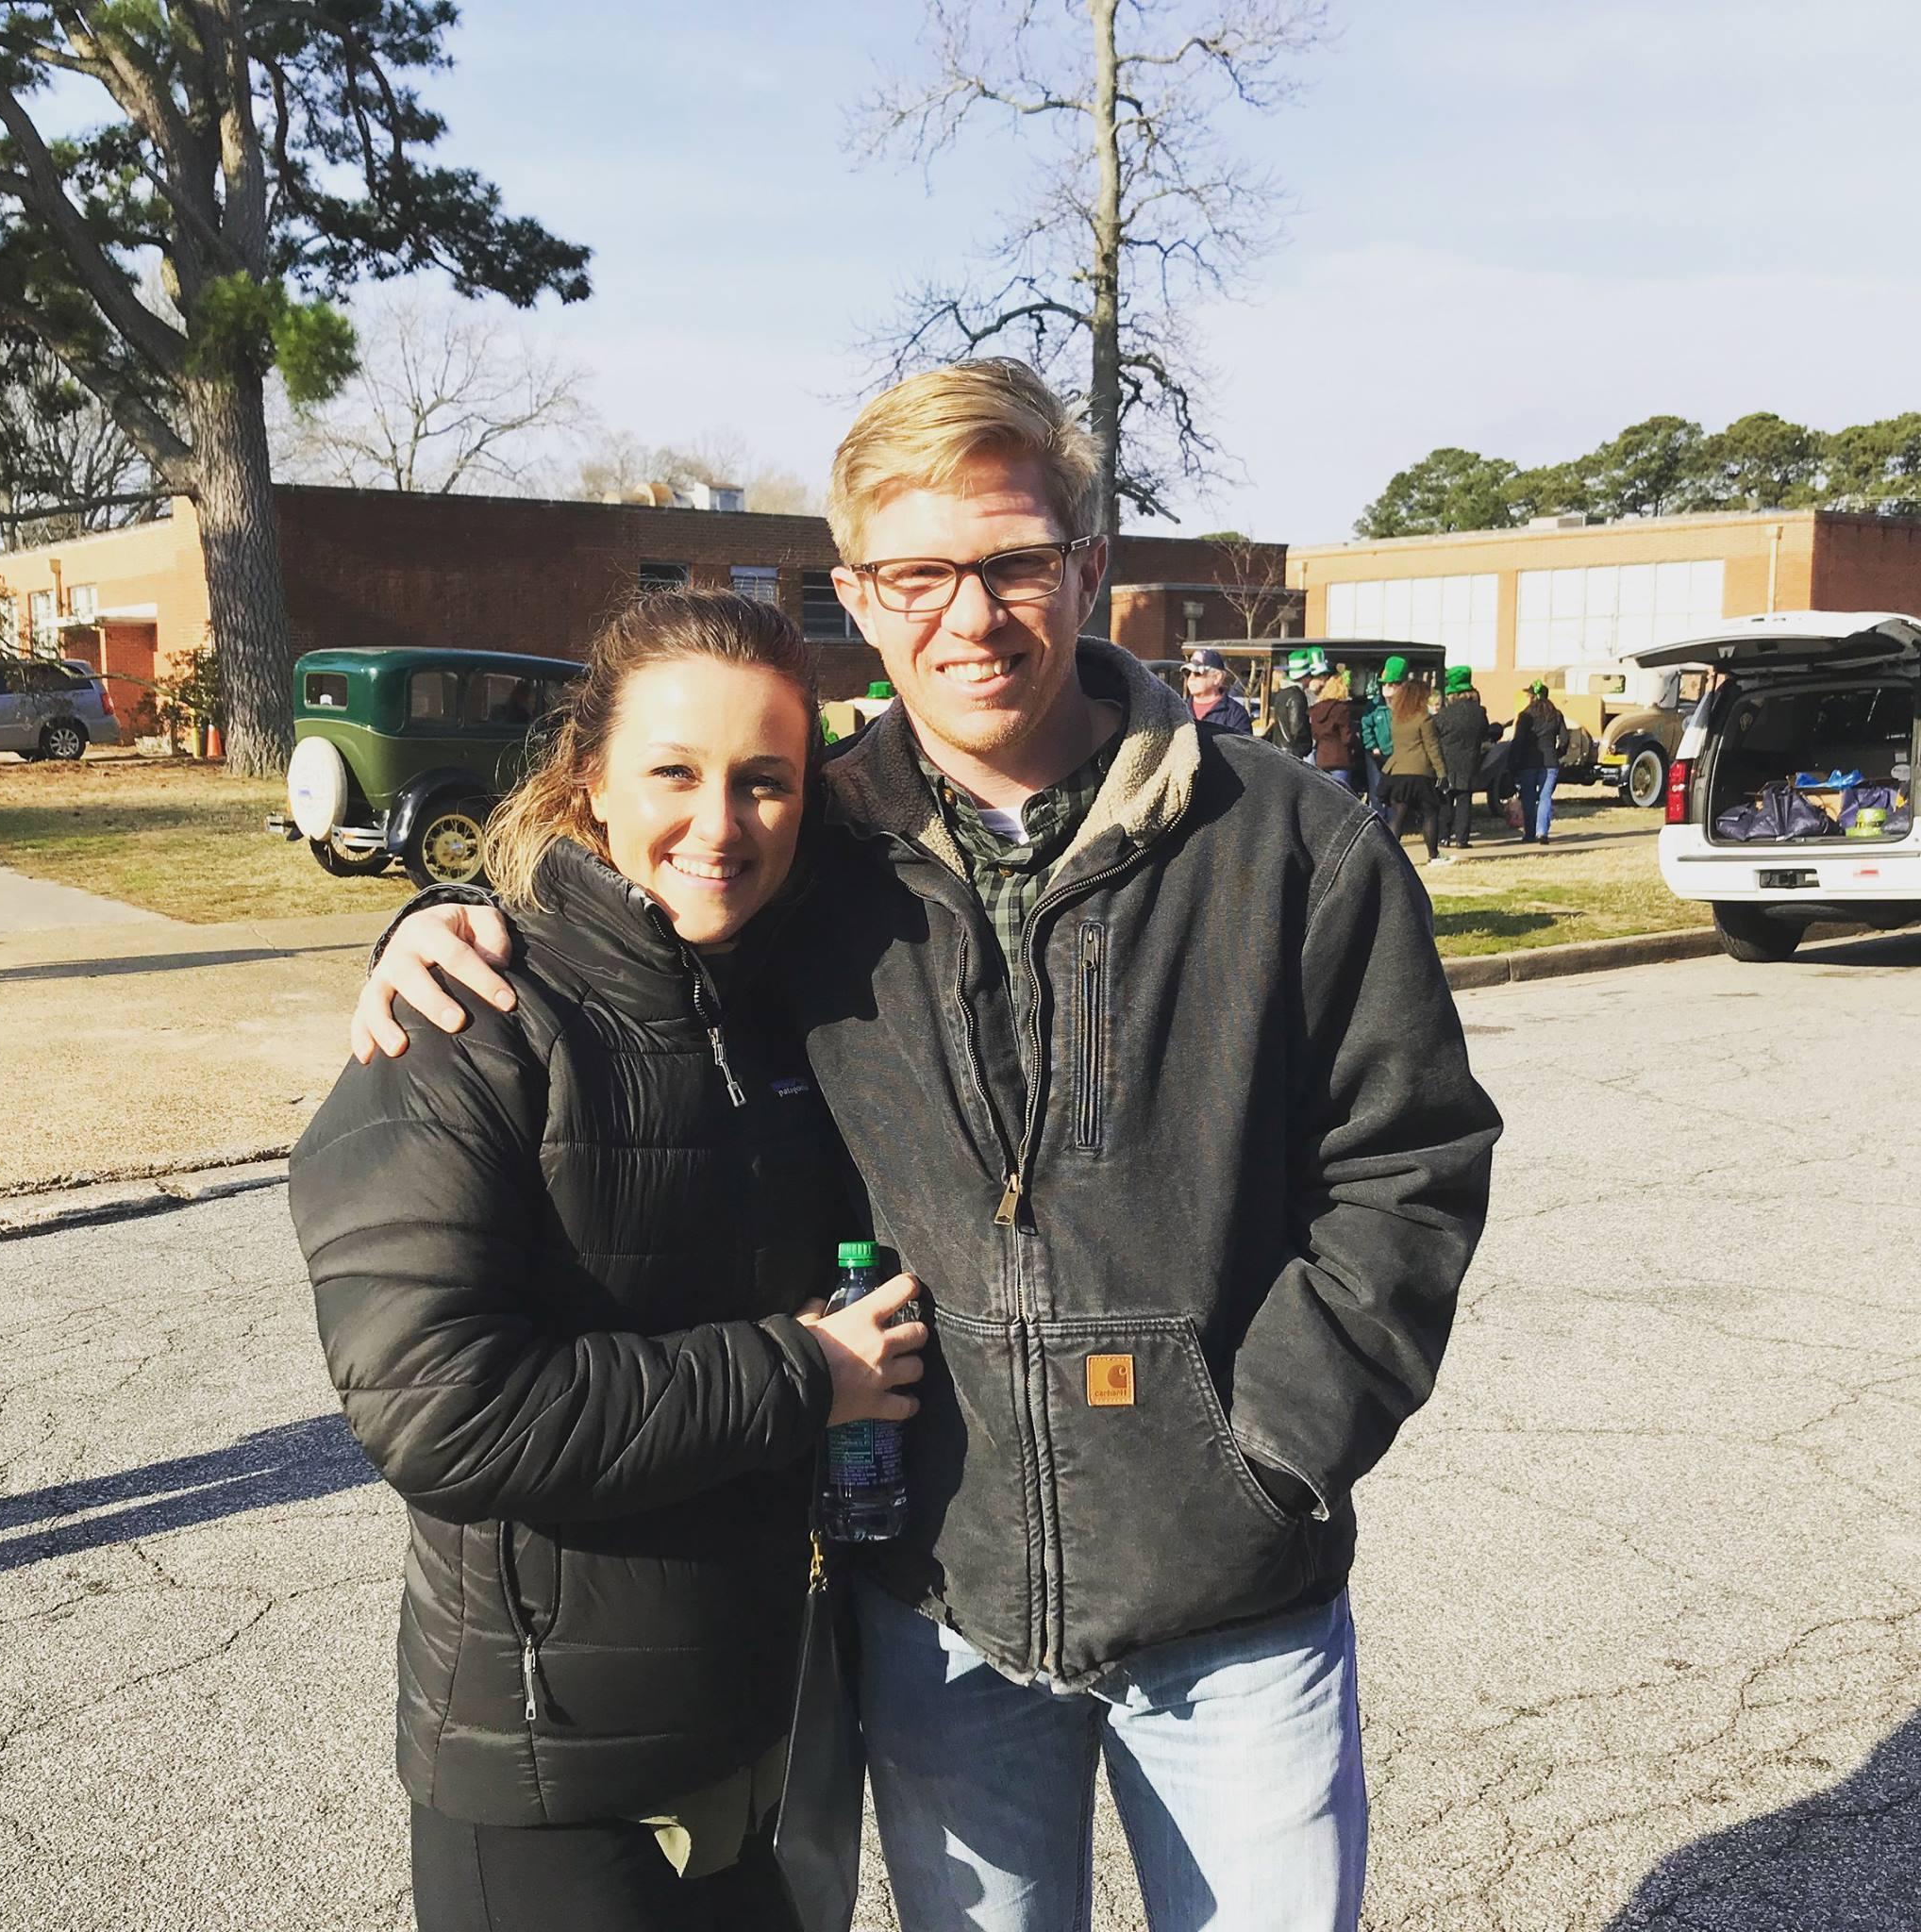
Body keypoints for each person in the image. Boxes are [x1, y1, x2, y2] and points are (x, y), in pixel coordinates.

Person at [353, 359, 1502, 1932]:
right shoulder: (805, 847)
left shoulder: (1292, 840)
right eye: (918, 573)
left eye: (1014, 559)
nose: (970, 614)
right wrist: (435, 922)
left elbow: (1408, 1159)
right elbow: (624, 936)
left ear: (1085, 566)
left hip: (1232, 1592)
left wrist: (1272, 1446)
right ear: (859, 596)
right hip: (943, 1592)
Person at [291, 592, 929, 1931]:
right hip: (551, 1781)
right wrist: (804, 1373)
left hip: (749, 1736)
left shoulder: (781, 1005)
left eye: (767, 782)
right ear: (588, 781)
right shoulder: (468, 1016)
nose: (722, 821)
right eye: (675, 774)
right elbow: (441, 1409)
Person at [1380, 671, 1450, 864]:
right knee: (1430, 812)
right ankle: (1433, 855)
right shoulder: (1424, 719)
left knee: (1399, 816)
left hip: (1397, 771)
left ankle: (1389, 856)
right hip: (1420, 772)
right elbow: (1432, 748)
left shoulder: (1397, 719)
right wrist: (1442, 773)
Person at [1430, 666, 1495, 850]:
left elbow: (1434, 735)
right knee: (1465, 801)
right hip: (1470, 761)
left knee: (1445, 801)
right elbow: (1485, 733)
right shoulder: (1479, 713)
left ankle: (1443, 837)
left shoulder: (1443, 714)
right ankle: (1462, 839)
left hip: (1446, 761)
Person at [1509, 676, 1570, 844]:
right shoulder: (1556, 715)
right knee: (1545, 798)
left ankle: (1529, 834)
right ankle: (1542, 832)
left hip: (1528, 763)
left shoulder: (1525, 716)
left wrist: (1514, 761)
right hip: (1550, 762)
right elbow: (1564, 739)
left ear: (1533, 697)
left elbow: (1518, 741)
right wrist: (1558, 753)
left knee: (1528, 798)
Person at [1307, 667, 1360, 790]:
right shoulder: (1341, 709)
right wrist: (1357, 744)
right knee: (1342, 800)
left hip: (1321, 759)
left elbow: (1315, 734)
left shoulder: (1316, 709)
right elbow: (1347, 737)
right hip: (1340, 759)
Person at [1181, 645, 1252, 734]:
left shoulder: (1236, 715)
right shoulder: (1179, 709)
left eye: (1197, 673)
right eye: (1187, 673)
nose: (1191, 678)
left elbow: (1244, 746)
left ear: (1217, 677)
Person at [1357, 662, 1395, 805]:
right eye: (1384, 684)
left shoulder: (1401, 706)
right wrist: (1373, 747)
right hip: (1376, 755)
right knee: (1377, 788)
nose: (1387, 687)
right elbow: (1366, 727)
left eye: (1390, 684)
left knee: (1394, 791)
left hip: (1396, 755)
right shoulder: (1373, 705)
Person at [1268, 646, 1315, 758]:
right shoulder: (1297, 696)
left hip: (1280, 750)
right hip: (1292, 753)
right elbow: (1297, 727)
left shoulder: (1282, 693)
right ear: (1305, 677)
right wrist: (1306, 746)